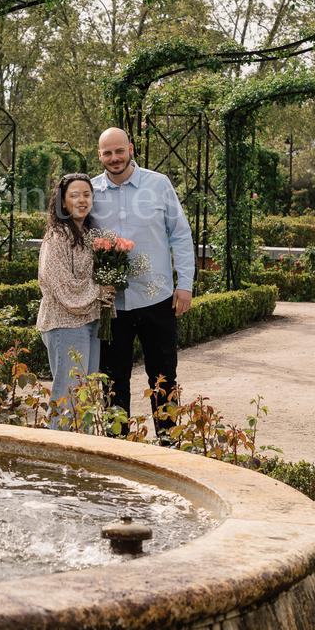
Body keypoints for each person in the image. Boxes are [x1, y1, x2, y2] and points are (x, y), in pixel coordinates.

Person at [91, 128, 195, 436]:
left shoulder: (158, 184)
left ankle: (169, 443)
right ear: (100, 156)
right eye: (107, 153)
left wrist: (185, 283)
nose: (114, 158)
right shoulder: (90, 192)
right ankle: (119, 447)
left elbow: (180, 234)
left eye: (119, 151)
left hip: (157, 299)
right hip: (112, 306)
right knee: (112, 379)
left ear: (131, 149)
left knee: (163, 377)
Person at [36, 173, 115, 428]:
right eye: (74, 195)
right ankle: (57, 458)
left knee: (86, 396)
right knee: (67, 397)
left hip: (90, 321)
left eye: (86, 194)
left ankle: (80, 453)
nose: (82, 200)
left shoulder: (92, 233)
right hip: (65, 324)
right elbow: (61, 285)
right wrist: (99, 290)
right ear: (63, 201)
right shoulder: (57, 237)